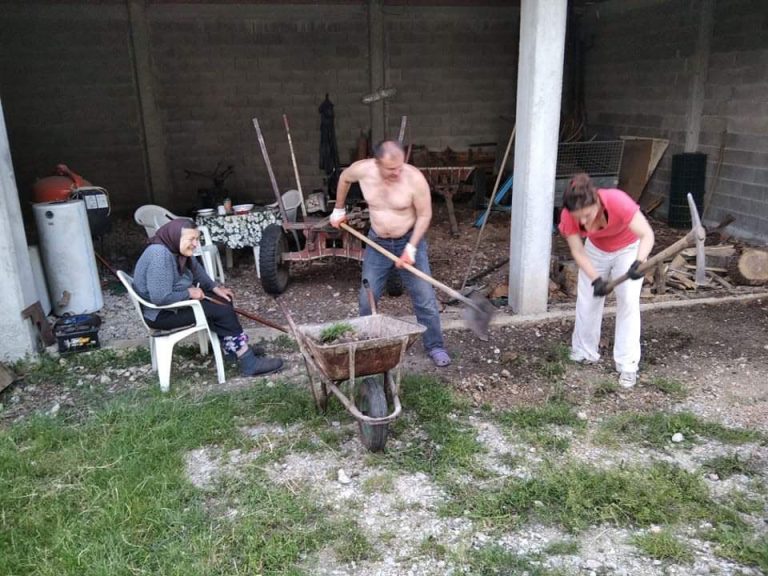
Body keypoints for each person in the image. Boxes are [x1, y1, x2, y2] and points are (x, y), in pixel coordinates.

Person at [329, 139, 451, 367]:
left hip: (408, 240)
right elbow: (344, 177)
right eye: (391, 169)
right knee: (368, 299)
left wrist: (412, 248)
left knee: (424, 298)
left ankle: (435, 346)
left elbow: (425, 215)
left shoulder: (414, 179)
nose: (397, 172)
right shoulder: (363, 170)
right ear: (377, 163)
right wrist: (339, 208)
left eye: (400, 166)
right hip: (377, 243)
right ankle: (366, 347)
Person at [132, 218, 283, 377]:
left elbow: (197, 270)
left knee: (224, 299)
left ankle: (233, 349)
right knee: (220, 309)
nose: (196, 244)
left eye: (197, 239)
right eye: (191, 239)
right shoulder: (159, 255)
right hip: (160, 314)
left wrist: (215, 288)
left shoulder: (175, 249)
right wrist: (189, 293)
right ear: (176, 236)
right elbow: (160, 298)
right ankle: (248, 362)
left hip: (173, 306)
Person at [558, 173, 655, 388]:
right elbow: (578, 251)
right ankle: (584, 351)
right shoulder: (568, 216)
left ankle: (627, 364)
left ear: (597, 202)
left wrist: (639, 262)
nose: (583, 221)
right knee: (588, 298)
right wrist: (595, 280)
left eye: (587, 215)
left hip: (629, 248)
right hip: (596, 250)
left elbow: (647, 234)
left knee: (628, 301)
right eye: (578, 217)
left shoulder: (618, 201)